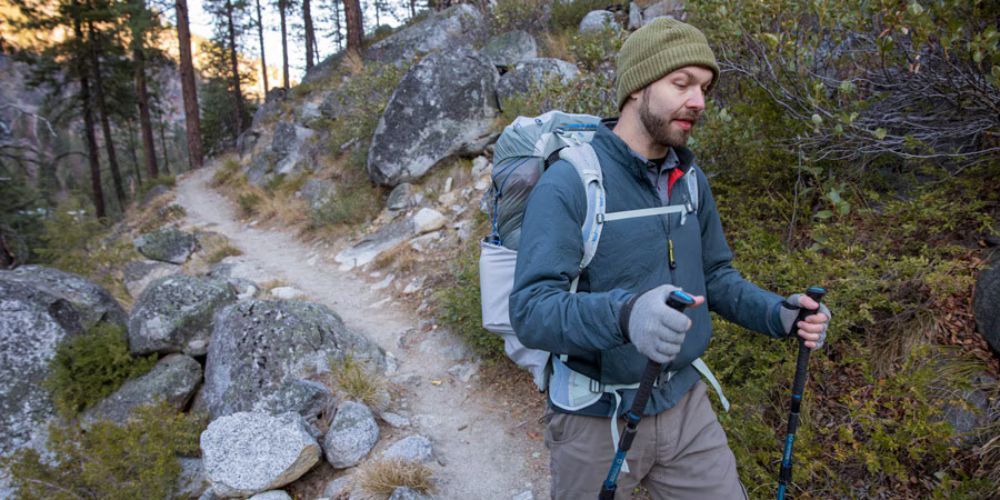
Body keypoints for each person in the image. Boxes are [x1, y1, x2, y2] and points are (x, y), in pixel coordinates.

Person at [509, 18, 832, 499]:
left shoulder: (689, 180)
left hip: (685, 408)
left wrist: (778, 313)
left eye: (704, 87)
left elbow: (715, 277)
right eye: (682, 83)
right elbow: (532, 310)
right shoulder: (573, 182)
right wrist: (626, 314)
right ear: (637, 87)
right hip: (594, 422)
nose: (699, 101)